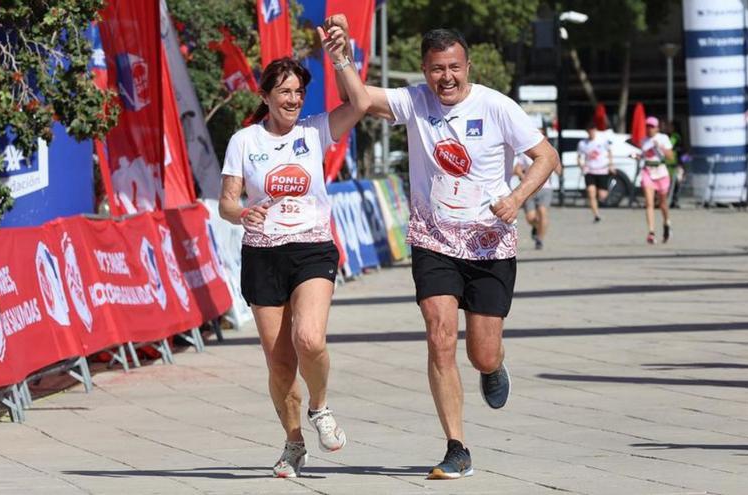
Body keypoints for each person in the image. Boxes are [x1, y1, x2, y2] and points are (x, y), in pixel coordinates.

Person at [330, 18, 559, 479]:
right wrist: (340, 58)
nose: (446, 78)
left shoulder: (497, 107)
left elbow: (546, 156)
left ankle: (493, 367)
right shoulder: (413, 101)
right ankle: (457, 446)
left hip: (489, 243)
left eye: (454, 67)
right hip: (433, 239)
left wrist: (515, 199)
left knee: (482, 352)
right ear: (424, 69)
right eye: (437, 69)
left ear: (467, 66)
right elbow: (358, 99)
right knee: (438, 336)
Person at [218, 21, 370, 478]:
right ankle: (293, 442)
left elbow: (360, 103)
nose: (292, 100)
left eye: (299, 92)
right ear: (265, 95)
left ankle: (320, 408)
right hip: (262, 254)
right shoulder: (244, 141)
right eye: (284, 92)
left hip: (312, 248)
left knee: (310, 339)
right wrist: (242, 212)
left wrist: (339, 56)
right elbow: (227, 201)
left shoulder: (315, 130)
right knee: (280, 362)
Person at [638, 116, 675, 244]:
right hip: (648, 172)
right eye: (647, 126)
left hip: (661, 173)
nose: (649, 129)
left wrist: (661, 148)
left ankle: (666, 223)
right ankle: (651, 232)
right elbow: (643, 156)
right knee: (649, 203)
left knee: (662, 204)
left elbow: (670, 157)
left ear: (657, 128)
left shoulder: (663, 138)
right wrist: (637, 156)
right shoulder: (643, 141)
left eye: (652, 126)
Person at [513, 150, 554, 250]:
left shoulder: (548, 151)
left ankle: (540, 239)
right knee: (530, 218)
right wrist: (524, 177)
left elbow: (555, 165)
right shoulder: (525, 154)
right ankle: (536, 227)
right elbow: (517, 169)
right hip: (529, 189)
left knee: (542, 212)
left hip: (545, 188)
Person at [576, 121, 614, 222]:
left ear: (595, 130)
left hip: (602, 170)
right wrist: (581, 165)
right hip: (590, 170)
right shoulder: (582, 143)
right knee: (591, 192)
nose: (591, 133)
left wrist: (611, 164)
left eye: (593, 130)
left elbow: (609, 152)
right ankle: (596, 215)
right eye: (589, 131)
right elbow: (579, 157)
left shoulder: (602, 140)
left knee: (602, 195)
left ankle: (599, 197)